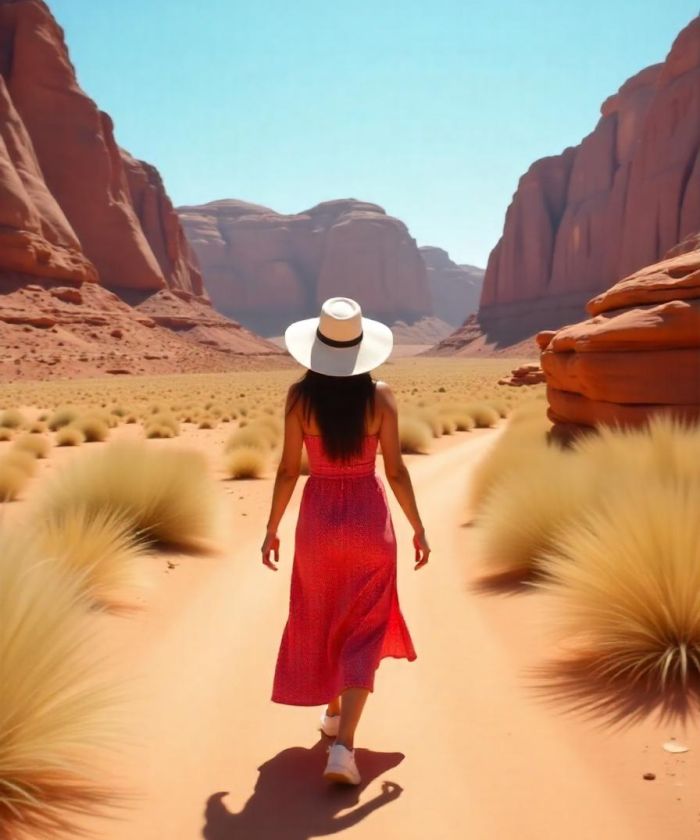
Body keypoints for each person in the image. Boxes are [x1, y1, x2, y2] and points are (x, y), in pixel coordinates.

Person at [261, 296, 430, 786]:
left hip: (316, 522)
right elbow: (395, 470)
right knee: (364, 625)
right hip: (368, 520)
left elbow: (289, 468)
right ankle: (343, 745)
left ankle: (334, 717)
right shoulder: (381, 397)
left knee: (323, 610)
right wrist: (418, 525)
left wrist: (271, 527)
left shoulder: (299, 399)